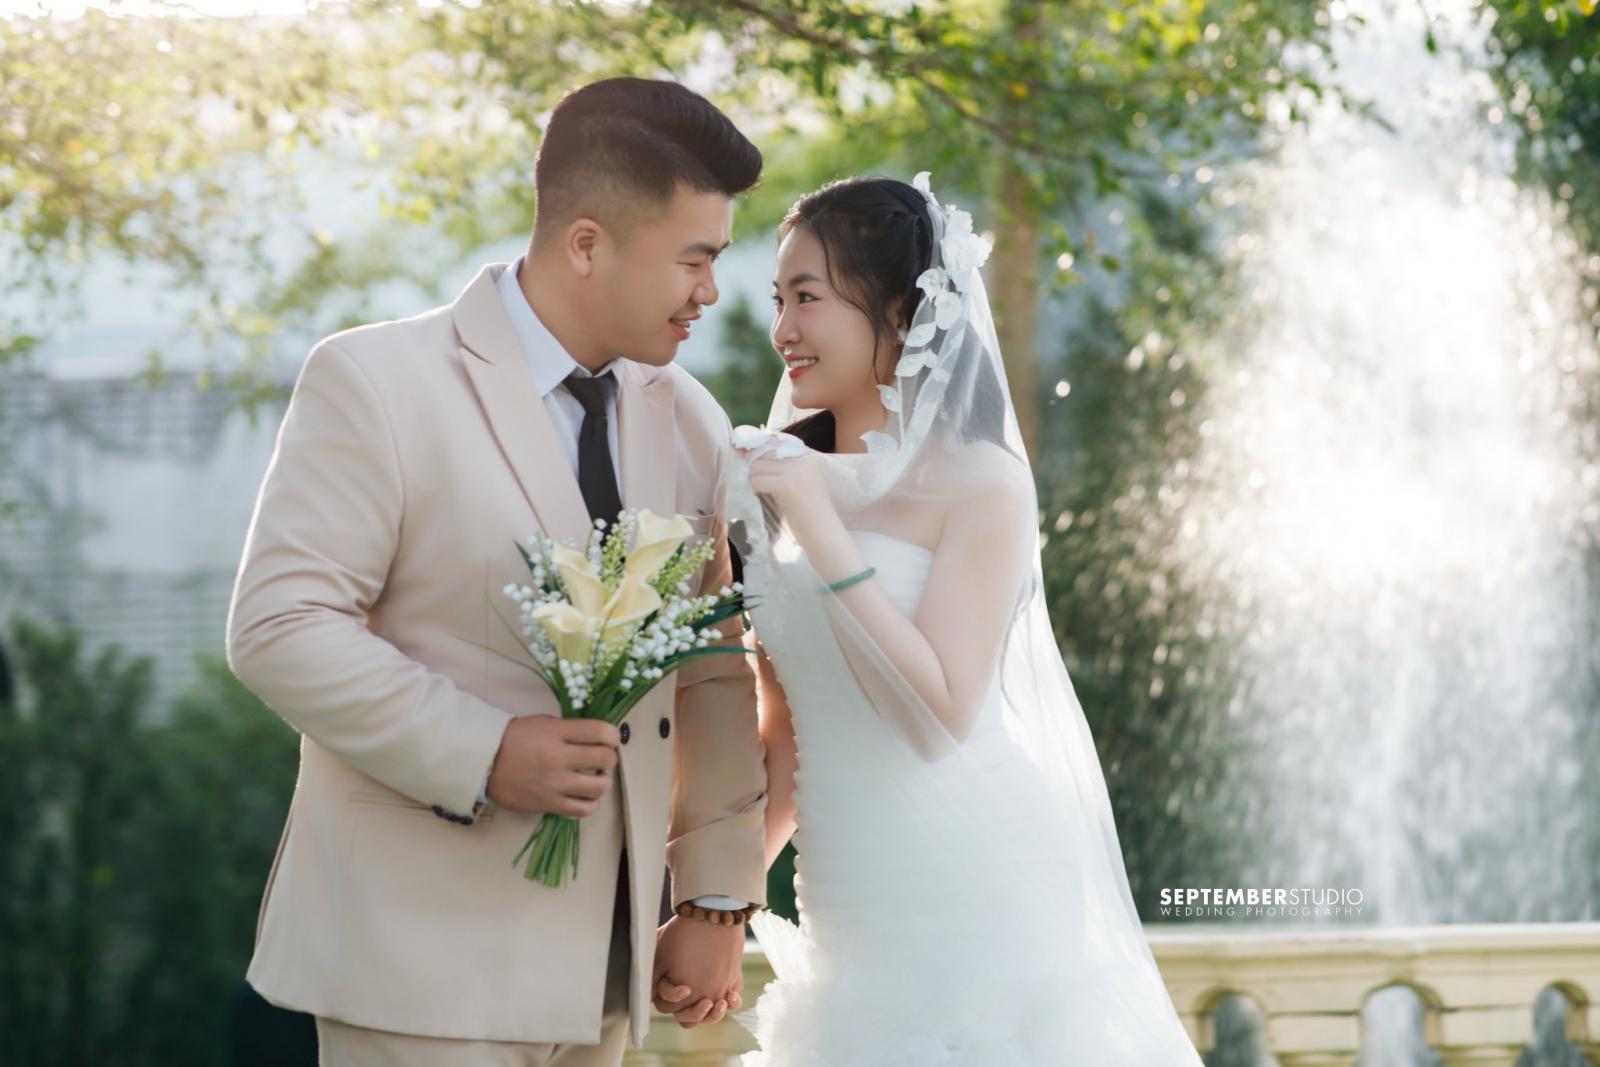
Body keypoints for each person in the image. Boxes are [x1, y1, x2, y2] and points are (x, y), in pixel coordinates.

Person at [226, 77, 768, 1066]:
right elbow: (280, 626)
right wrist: (483, 749)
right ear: (587, 243)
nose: (709, 292)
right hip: (417, 963)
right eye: (693, 259)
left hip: (606, 980)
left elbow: (713, 670)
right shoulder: (375, 381)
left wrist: (714, 898)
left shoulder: (689, 416)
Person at [727, 173, 1207, 1064]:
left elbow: (940, 711)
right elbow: (786, 729)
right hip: (849, 890)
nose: (783, 328)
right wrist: (717, 902)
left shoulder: (981, 481)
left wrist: (823, 529)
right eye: (778, 299)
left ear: (899, 311)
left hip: (976, 881)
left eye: (808, 297)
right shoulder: (772, 479)